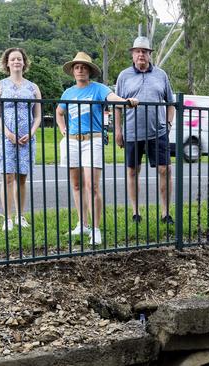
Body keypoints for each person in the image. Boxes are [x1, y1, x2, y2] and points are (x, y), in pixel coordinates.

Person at [56, 52, 138, 244]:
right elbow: (59, 112)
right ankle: (82, 224)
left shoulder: (98, 89)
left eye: (84, 67)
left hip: (92, 140)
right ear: (73, 71)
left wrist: (127, 102)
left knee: (91, 185)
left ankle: (96, 229)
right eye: (77, 67)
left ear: (89, 71)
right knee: (76, 185)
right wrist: (63, 129)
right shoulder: (68, 93)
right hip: (72, 141)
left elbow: (113, 98)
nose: (80, 70)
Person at [115, 36, 175, 225]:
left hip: (158, 132)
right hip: (132, 133)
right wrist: (118, 130)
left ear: (150, 54)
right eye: (137, 51)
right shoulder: (123, 76)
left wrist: (169, 125)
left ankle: (165, 213)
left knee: (165, 170)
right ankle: (135, 212)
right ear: (132, 54)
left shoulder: (161, 75)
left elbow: (171, 103)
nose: (141, 54)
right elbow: (117, 106)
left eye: (145, 51)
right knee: (133, 171)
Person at [0, 48, 42, 231]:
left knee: (22, 178)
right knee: (7, 177)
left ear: (24, 62)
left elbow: (37, 116)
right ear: (7, 63)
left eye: (19, 59)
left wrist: (31, 132)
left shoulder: (33, 87)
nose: (16, 62)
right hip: (6, 137)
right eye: (12, 59)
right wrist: (8, 134)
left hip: (26, 138)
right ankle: (8, 218)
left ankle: (21, 216)